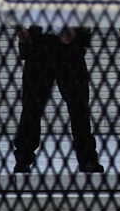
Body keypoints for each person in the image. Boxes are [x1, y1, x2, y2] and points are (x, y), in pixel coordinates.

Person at [12, 24, 98, 173]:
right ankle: (23, 157)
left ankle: (87, 157)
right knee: (32, 106)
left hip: (66, 46)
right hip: (38, 44)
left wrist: (77, 29)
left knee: (78, 106)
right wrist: (20, 29)